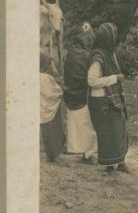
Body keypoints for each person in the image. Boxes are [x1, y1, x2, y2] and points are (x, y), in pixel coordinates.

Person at [87, 22, 130, 174]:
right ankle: (110, 165)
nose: (115, 39)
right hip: (101, 99)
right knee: (108, 133)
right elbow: (91, 81)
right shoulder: (98, 57)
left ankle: (120, 161)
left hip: (112, 97)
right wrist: (115, 78)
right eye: (113, 36)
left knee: (119, 129)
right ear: (107, 38)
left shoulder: (109, 53)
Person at [63, 22, 98, 164]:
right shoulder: (88, 55)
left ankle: (82, 152)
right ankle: (88, 154)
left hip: (71, 93)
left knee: (77, 125)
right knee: (87, 125)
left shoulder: (70, 52)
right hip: (83, 94)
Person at [40, 51, 66, 162]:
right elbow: (53, 93)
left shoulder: (37, 76)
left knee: (46, 131)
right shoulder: (46, 78)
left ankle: (51, 154)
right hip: (51, 110)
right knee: (54, 131)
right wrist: (60, 87)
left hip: (42, 109)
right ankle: (55, 155)